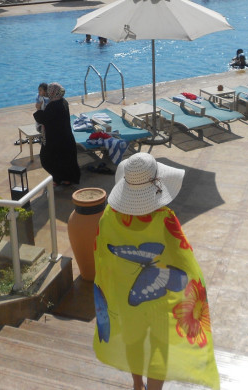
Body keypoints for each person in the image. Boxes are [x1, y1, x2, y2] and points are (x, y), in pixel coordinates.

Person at [93, 153, 220, 390]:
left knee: (133, 342)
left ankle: (137, 385)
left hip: (125, 296)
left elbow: (101, 256)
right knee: (160, 345)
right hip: (159, 297)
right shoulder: (165, 218)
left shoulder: (108, 216)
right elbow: (183, 258)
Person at [32, 83, 80, 186]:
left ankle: (58, 178)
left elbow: (43, 119)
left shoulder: (53, 106)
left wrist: (38, 109)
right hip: (65, 136)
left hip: (54, 139)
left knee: (47, 159)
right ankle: (66, 179)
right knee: (66, 159)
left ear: (52, 92)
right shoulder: (63, 101)